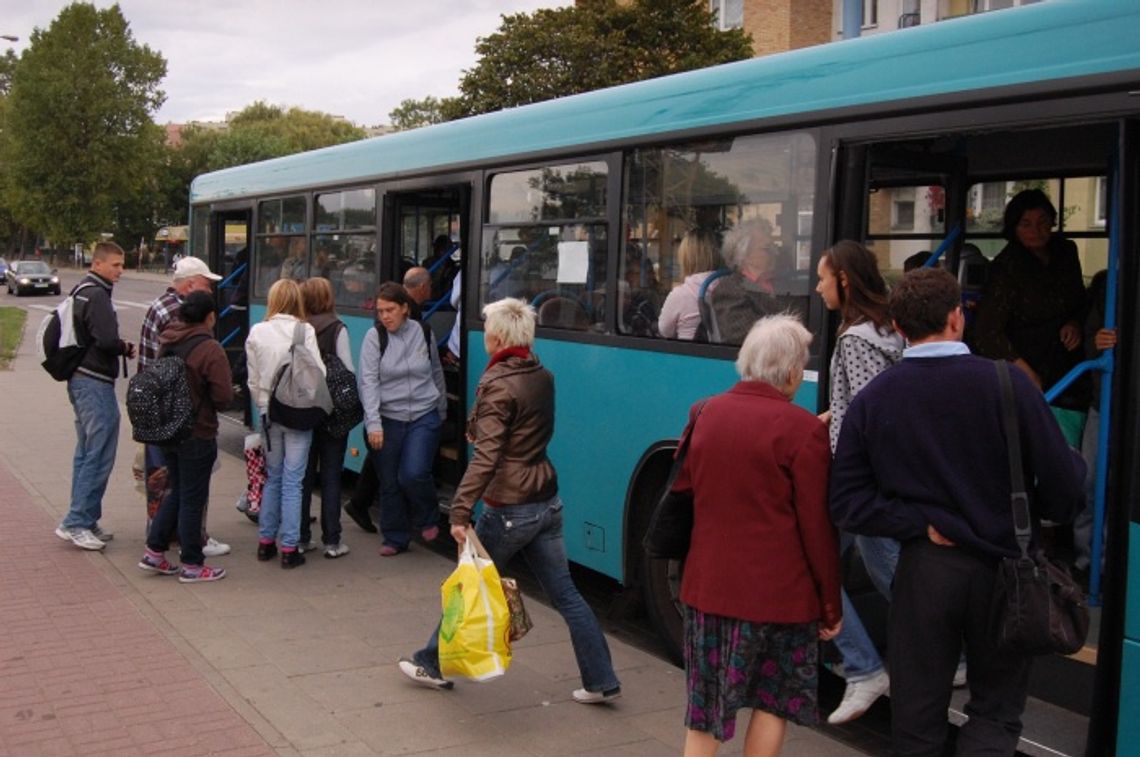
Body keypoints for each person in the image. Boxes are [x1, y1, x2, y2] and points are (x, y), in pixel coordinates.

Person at [829, 268, 1085, 756]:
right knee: (995, 711)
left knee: (918, 715)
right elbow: (1064, 489)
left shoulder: (874, 400)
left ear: (900, 328)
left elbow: (847, 502)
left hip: (924, 572)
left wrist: (918, 524)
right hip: (1005, 571)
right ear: (958, 317)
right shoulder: (1009, 385)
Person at [398, 297, 622, 702]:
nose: (484, 337)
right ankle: (601, 679)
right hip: (546, 500)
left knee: (470, 587)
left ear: (497, 337)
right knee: (567, 594)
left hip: (510, 509)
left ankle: (430, 662)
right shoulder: (541, 374)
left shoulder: (498, 383)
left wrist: (461, 510)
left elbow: (487, 456)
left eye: (487, 331)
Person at [674, 314, 841, 756]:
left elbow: (686, 489)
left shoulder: (703, 413)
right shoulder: (805, 433)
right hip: (781, 601)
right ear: (790, 372)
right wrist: (830, 606)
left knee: (705, 707)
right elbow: (817, 531)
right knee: (773, 703)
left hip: (708, 590)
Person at [814, 240, 904, 724]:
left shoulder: (856, 338)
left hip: (858, 479)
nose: (817, 286)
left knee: (824, 567)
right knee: (830, 564)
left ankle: (867, 668)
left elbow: (872, 413)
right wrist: (828, 418)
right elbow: (860, 404)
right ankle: (867, 667)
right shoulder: (889, 327)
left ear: (844, 280)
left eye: (823, 277)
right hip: (867, 476)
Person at [137, 292, 233, 582]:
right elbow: (224, 397)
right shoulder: (210, 348)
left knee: (177, 491)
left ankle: (154, 552)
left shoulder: (167, 342)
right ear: (210, 317)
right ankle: (192, 564)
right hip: (198, 432)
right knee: (193, 498)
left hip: (168, 432)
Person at [54, 241, 136, 551]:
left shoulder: (82, 290)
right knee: (98, 454)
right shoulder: (97, 294)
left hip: (81, 379)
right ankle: (75, 522)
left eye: (121, 264)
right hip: (93, 381)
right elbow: (105, 340)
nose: (120, 271)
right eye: (115, 265)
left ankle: (85, 518)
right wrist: (123, 347)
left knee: (87, 452)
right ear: (98, 263)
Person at [357, 282, 447, 556]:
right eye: (381, 311)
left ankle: (429, 517)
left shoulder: (423, 332)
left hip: (423, 414)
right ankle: (395, 537)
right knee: (389, 481)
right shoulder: (375, 338)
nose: (385, 316)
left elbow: (435, 371)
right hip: (387, 419)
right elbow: (368, 381)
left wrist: (440, 411)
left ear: (405, 309)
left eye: (390, 310)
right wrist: (373, 423)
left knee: (414, 473)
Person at [973, 189, 1086, 403]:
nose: (1036, 230)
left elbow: (1080, 300)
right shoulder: (1006, 266)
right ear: (1014, 228)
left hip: (1069, 363)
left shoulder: (1065, 251)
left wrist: (1075, 323)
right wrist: (1026, 373)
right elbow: (987, 333)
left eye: (1043, 222)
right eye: (1026, 224)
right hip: (1024, 363)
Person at [245, 279, 325, 569]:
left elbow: (252, 379)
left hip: (269, 414)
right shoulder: (305, 331)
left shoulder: (257, 331)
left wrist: (263, 405)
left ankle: (266, 542)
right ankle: (289, 548)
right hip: (299, 413)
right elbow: (319, 372)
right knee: (294, 481)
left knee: (273, 477)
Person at [299, 277, 353, 559]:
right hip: (333, 414)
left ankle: (301, 537)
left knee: (304, 476)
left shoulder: (299, 328)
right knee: (332, 476)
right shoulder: (337, 328)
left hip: (305, 411)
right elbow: (347, 371)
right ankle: (332, 540)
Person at [1074, 270, 1116, 580]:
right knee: (1090, 483)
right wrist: (1096, 341)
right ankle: (1088, 561)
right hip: (1104, 402)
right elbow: (1088, 337)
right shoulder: (1108, 285)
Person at [709, 218, 802, 344]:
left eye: (774, 246)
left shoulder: (782, 284)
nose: (775, 252)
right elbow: (747, 338)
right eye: (766, 248)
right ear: (744, 255)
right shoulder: (729, 290)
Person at [658, 229, 721, 340]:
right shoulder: (731, 287)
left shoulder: (680, 295)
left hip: (689, 354)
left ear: (686, 259)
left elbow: (664, 330)